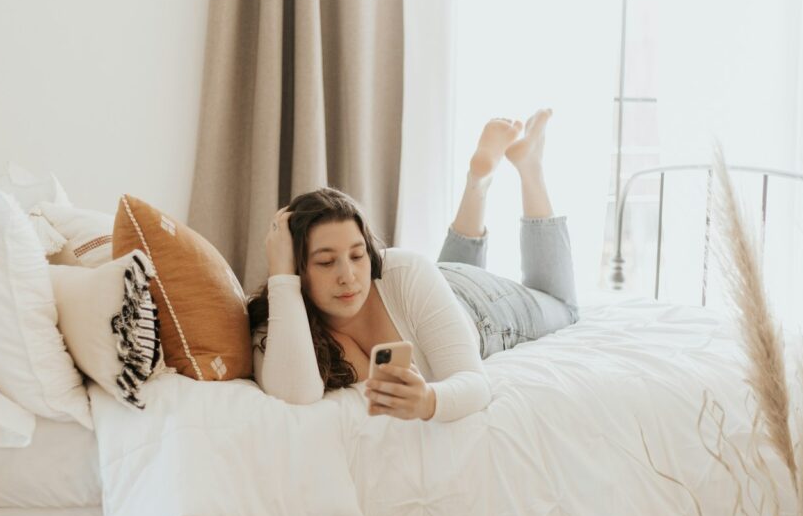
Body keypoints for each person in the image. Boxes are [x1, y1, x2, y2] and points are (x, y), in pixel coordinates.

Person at [247, 108, 579, 423]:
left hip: (478, 309)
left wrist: (428, 402)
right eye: (326, 261)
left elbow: (474, 384)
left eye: (358, 255)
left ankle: (529, 168)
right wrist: (282, 276)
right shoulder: (282, 312)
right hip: (434, 289)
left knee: (564, 308)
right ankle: (478, 182)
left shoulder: (403, 269)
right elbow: (294, 393)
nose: (348, 276)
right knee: (432, 277)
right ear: (296, 267)